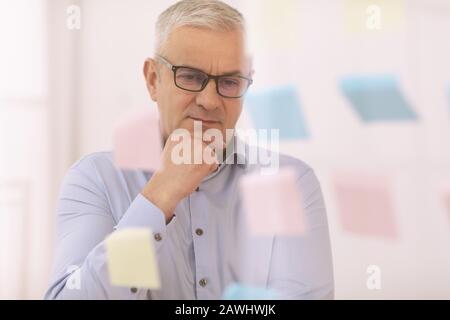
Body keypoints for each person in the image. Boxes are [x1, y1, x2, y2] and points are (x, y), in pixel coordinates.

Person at [45, 0, 334, 299]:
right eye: (190, 77)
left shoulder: (291, 184)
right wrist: (159, 197)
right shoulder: (95, 180)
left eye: (230, 81)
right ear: (153, 79)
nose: (209, 101)